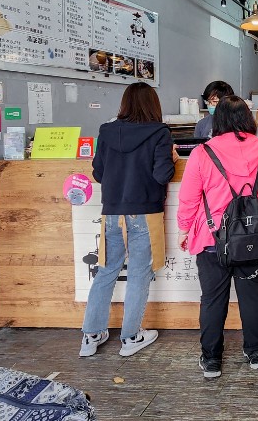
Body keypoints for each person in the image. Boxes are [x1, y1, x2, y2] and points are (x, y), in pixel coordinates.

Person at [177, 95, 258, 379]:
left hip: (212, 239)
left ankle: (212, 360)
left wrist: (185, 228)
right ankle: (256, 353)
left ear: (218, 120)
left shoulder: (203, 152)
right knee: (252, 294)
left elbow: (188, 198)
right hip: (252, 236)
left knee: (212, 299)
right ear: (247, 119)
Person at [80, 82, 176, 358]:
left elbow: (98, 174)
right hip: (145, 212)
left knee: (106, 271)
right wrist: (171, 158)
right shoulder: (160, 133)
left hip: (111, 212)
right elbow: (161, 175)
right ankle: (131, 337)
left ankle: (90, 335)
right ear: (153, 105)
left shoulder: (106, 131)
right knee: (138, 274)